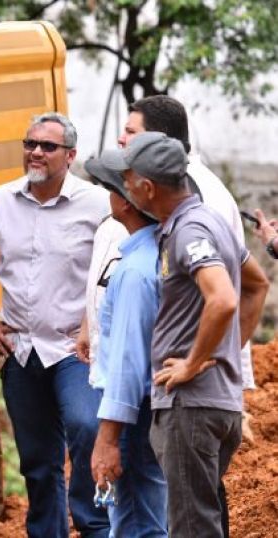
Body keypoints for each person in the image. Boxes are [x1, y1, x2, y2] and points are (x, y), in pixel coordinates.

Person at [100, 131, 269, 537]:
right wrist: (228, 348)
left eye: (127, 178)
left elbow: (225, 298)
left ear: (147, 187)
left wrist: (194, 362)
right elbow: (258, 283)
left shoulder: (188, 231)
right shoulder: (208, 220)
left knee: (192, 529)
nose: (122, 186)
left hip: (190, 407)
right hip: (215, 402)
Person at [0, 112, 111, 537]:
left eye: (47, 146)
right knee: (38, 463)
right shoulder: (3, 200)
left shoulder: (97, 204)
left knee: (86, 427)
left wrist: (96, 323)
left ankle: (94, 524)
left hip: (74, 349)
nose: (35, 152)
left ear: (71, 155)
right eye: (30, 144)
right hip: (20, 351)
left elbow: (120, 262)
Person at [84, 158, 167, 537]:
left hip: (134, 418)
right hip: (150, 410)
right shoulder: (153, 254)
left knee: (136, 524)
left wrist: (108, 438)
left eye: (113, 188)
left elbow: (129, 364)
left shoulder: (134, 272)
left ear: (128, 203)